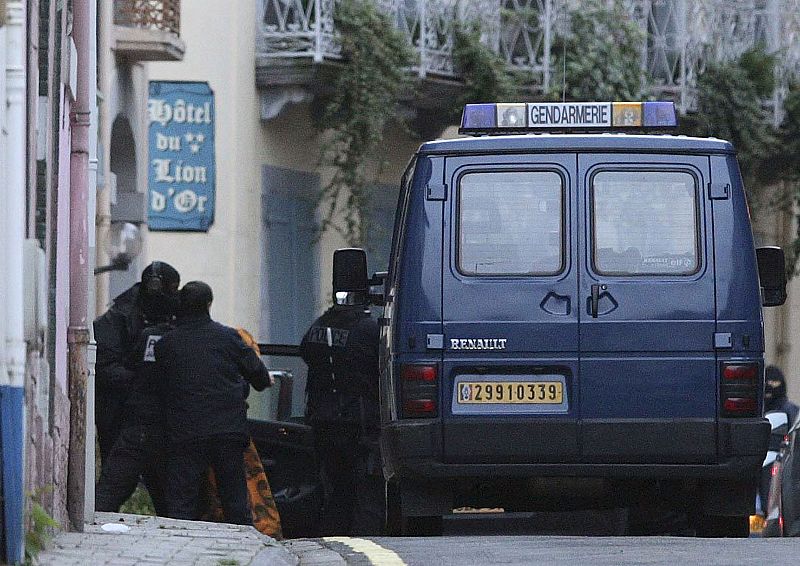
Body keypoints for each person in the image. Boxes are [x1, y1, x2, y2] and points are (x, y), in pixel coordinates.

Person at [155, 281, 271, 524]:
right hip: (226, 430)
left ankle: (178, 549)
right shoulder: (229, 338)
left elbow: (160, 386)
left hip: (185, 431)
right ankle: (243, 550)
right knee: (235, 500)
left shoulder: (166, 344)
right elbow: (259, 377)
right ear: (209, 304)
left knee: (182, 502)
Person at [300, 285, 382, 536]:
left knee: (335, 487)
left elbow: (306, 354)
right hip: (359, 420)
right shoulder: (369, 329)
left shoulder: (317, 327)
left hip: (322, 419)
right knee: (367, 488)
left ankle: (333, 537)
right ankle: (365, 539)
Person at [94, 261, 180, 464]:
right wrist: (144, 381)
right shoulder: (118, 319)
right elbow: (105, 369)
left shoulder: (173, 315)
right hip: (119, 408)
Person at [94, 314, 175, 515]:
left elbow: (130, 364)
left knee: (108, 495)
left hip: (138, 424)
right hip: (166, 429)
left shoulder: (150, 336)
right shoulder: (188, 341)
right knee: (175, 506)